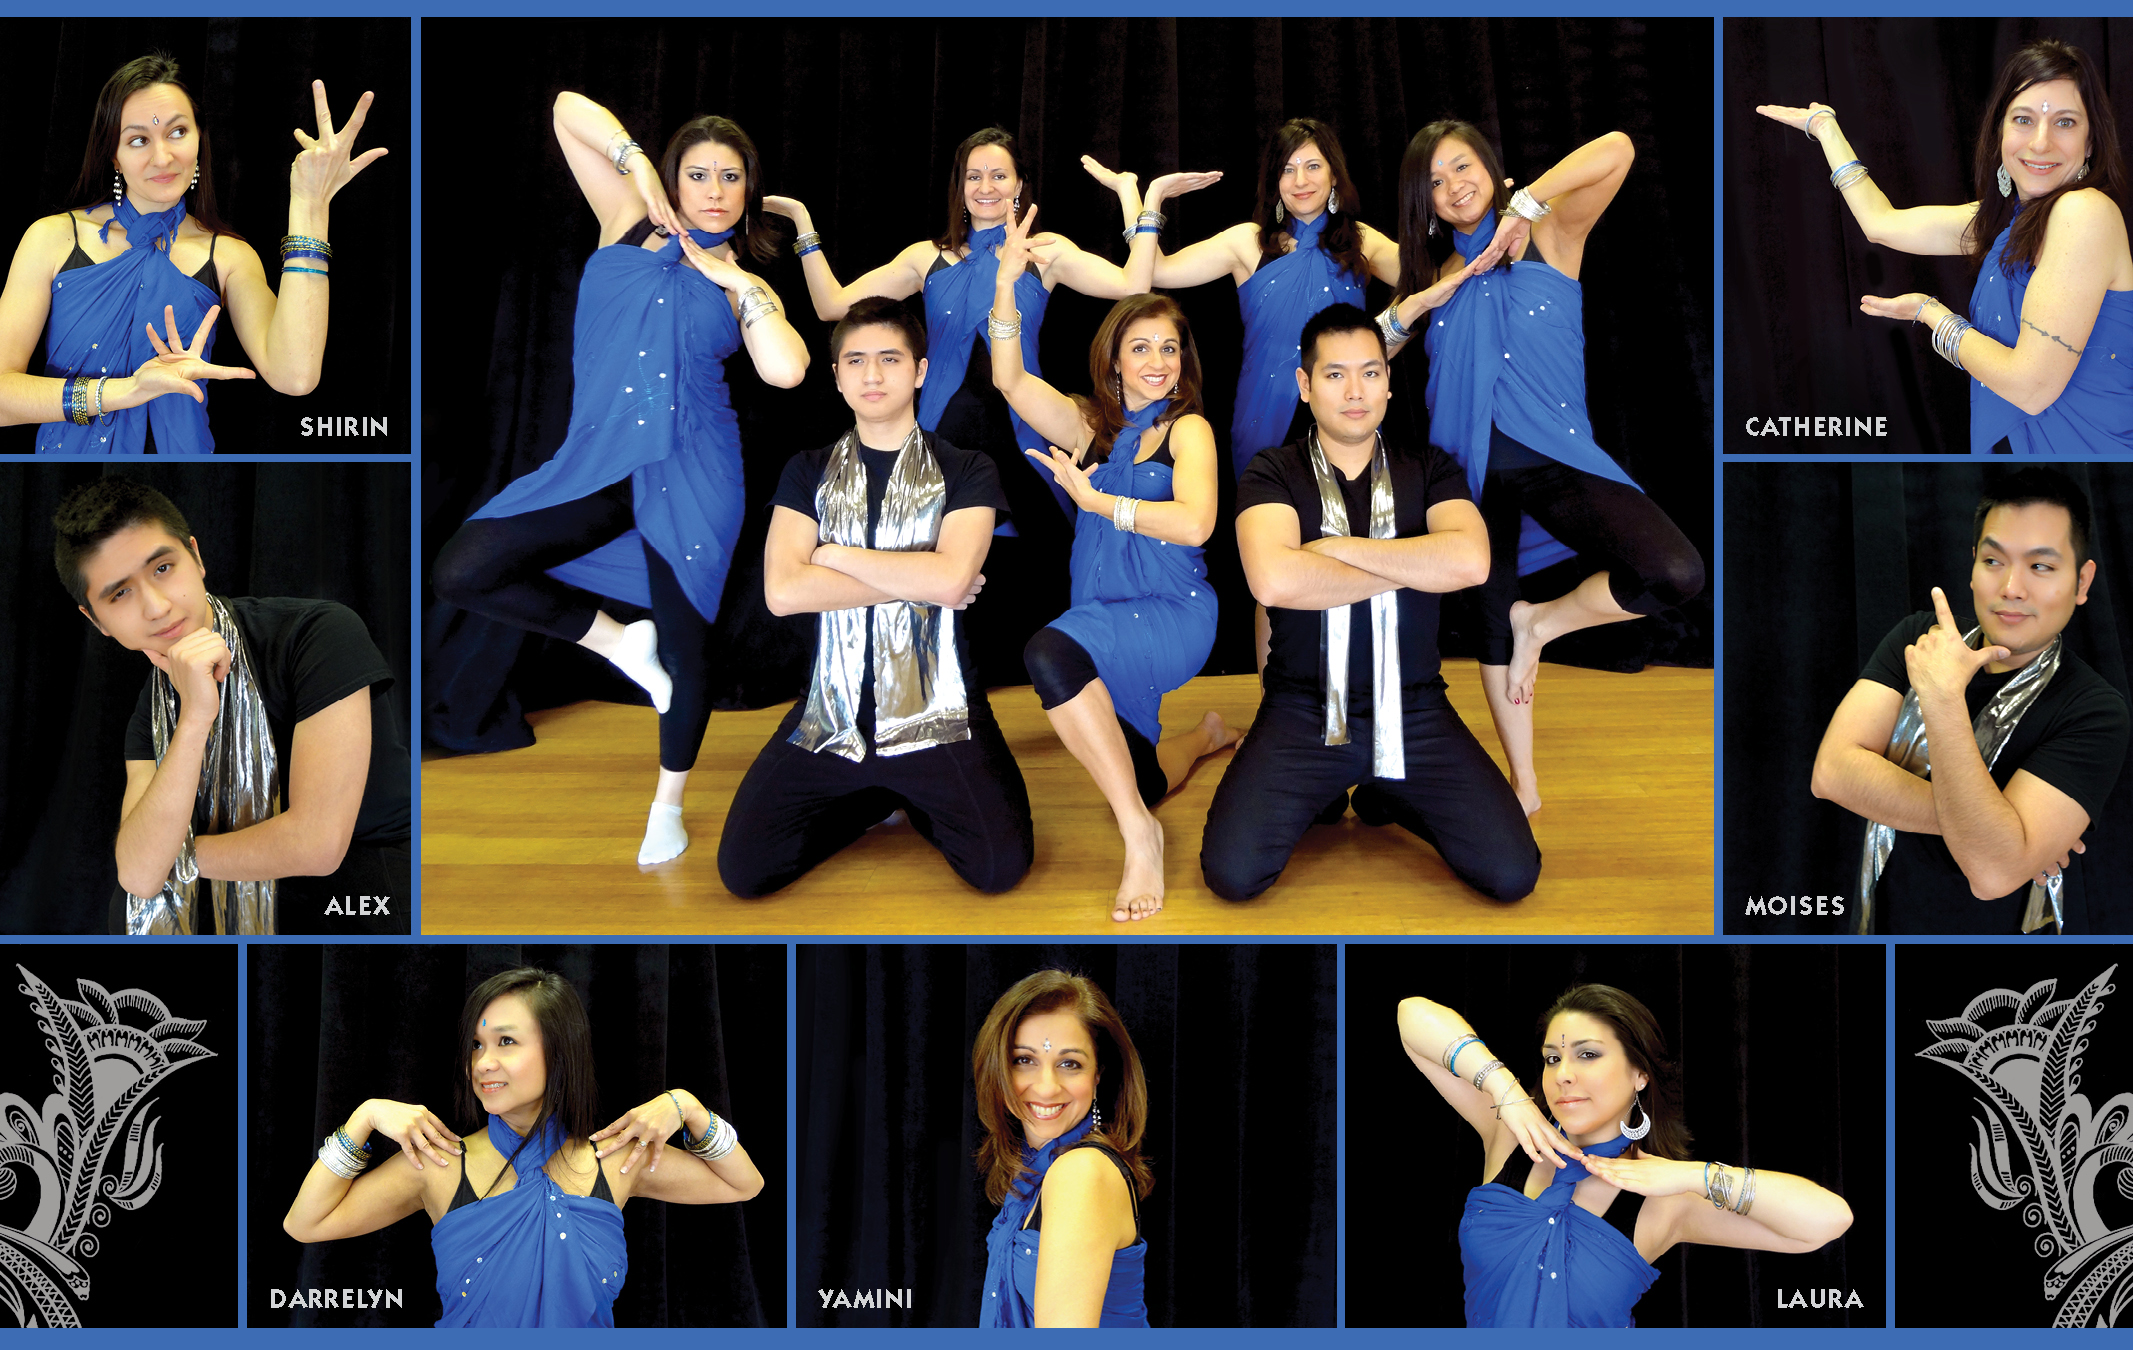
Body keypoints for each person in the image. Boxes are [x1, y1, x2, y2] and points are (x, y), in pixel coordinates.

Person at [430, 96, 807, 866]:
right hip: (599, 458)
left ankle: (667, 803)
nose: (711, 189)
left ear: (747, 192)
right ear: (675, 178)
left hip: (695, 470)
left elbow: (787, 368)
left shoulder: (740, 281)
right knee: (464, 569)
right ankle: (615, 642)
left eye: (729, 177)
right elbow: (567, 108)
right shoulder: (624, 219)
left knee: (689, 649)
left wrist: (738, 284)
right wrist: (639, 168)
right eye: (696, 173)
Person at [767, 133, 1175, 685]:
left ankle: (1071, 687)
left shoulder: (1045, 251)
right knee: (929, 563)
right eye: (974, 176)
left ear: (1020, 186)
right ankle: (924, 690)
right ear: (959, 188)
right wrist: (804, 225)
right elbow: (830, 305)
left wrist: (1138, 204)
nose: (986, 187)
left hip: (1028, 435)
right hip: (942, 439)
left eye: (999, 175)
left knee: (1051, 562)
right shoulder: (925, 258)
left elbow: (1135, 283)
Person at [1382, 120, 1704, 814]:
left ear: (1493, 171)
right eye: (1433, 182)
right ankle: (1523, 785)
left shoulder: (1553, 233)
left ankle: (1546, 623)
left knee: (1673, 571)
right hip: (1463, 478)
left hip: (1555, 458)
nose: (1452, 187)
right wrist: (1411, 308)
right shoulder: (1432, 274)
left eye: (1461, 167)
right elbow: (1368, 354)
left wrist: (1526, 205)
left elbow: (1618, 146)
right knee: (1489, 619)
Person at [1200, 304, 1539, 904]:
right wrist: (1413, 565)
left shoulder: (1431, 468)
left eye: (1370, 373)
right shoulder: (1272, 472)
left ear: (1387, 380)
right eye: (1334, 375)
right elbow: (1275, 581)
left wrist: (1334, 552)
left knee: (1514, 875)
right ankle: (1329, 792)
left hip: (1414, 712)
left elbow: (1470, 563)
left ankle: (1389, 791)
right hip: (1302, 712)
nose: (1355, 392)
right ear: (1305, 386)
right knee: (1232, 875)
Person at [717, 297, 1032, 898]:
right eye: (855, 360)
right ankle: (874, 799)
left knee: (999, 871)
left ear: (919, 370)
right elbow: (783, 593)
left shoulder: (966, 468)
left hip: (939, 713)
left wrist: (831, 556)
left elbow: (948, 581)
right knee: (744, 872)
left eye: (890, 359)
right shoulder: (806, 470)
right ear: (836, 377)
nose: (872, 374)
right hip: (829, 713)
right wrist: (925, 576)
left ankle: (912, 799)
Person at [987, 206, 1236, 922]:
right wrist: (1007, 284)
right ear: (1114, 358)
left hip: (1171, 613)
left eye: (1169, 348)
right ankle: (1206, 737)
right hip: (1103, 608)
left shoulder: (1187, 429)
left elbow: (1195, 521)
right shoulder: (1091, 427)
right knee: (1145, 772)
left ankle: (1139, 835)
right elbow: (1009, 380)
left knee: (1048, 655)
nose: (1157, 362)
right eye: (1141, 348)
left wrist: (1098, 504)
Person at [281, 966, 762, 1327]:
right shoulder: (438, 1163)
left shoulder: (618, 1159)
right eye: (476, 1045)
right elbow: (305, 1223)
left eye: (506, 1041)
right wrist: (362, 1118)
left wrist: (689, 1107)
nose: (483, 1063)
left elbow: (744, 1184)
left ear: (559, 1051)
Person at [53, 478, 410, 936]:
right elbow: (138, 877)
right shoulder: (153, 705)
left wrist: (173, 859)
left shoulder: (316, 633)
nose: (157, 607)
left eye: (163, 568)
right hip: (222, 900)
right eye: (120, 594)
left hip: (354, 895)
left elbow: (316, 846)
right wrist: (195, 718)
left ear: (196, 558)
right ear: (96, 619)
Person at [1756, 37, 2133, 454]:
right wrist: (1827, 130)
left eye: (2065, 122)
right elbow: (1882, 225)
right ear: (1999, 132)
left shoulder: (2085, 213)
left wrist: (1930, 314)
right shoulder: (2009, 220)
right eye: (2023, 120)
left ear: (2091, 142)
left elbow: (2031, 388)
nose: (2040, 142)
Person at [1395, 985, 1853, 1328]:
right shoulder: (1510, 1137)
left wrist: (1695, 1175)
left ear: (1639, 1073)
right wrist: (1503, 1088)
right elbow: (1411, 1014)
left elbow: (1827, 1221)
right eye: (1552, 1059)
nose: (1563, 1076)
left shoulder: (1666, 1200)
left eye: (1587, 1054)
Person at [0, 53, 388, 454]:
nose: (163, 157)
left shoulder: (229, 257)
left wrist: (310, 207)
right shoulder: (52, 238)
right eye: (138, 140)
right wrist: (123, 391)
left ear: (200, 137)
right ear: (113, 155)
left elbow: (296, 375)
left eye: (178, 132)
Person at [1810, 467, 2129, 934]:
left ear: (2082, 583)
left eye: (2041, 566)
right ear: (1973, 563)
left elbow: (1992, 875)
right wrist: (2007, 835)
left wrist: (1940, 699)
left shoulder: (2094, 711)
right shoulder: (1922, 638)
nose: (2012, 588)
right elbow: (1832, 773)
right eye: (1994, 561)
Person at [1121, 117, 1401, 477]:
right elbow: (1152, 269)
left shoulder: (1360, 241)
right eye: (1288, 169)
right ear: (1275, 182)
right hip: (1263, 414)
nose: (1300, 180)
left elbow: (1426, 283)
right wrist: (1148, 197)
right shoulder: (1248, 243)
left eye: (1313, 166)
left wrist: (1386, 335)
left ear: (1334, 176)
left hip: (1347, 407)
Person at [972, 969, 1150, 1328]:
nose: (1047, 1087)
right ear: (999, 1069)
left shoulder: (1080, 1173)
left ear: (1097, 1075)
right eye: (1025, 1060)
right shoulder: (1033, 1173)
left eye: (1070, 1064)